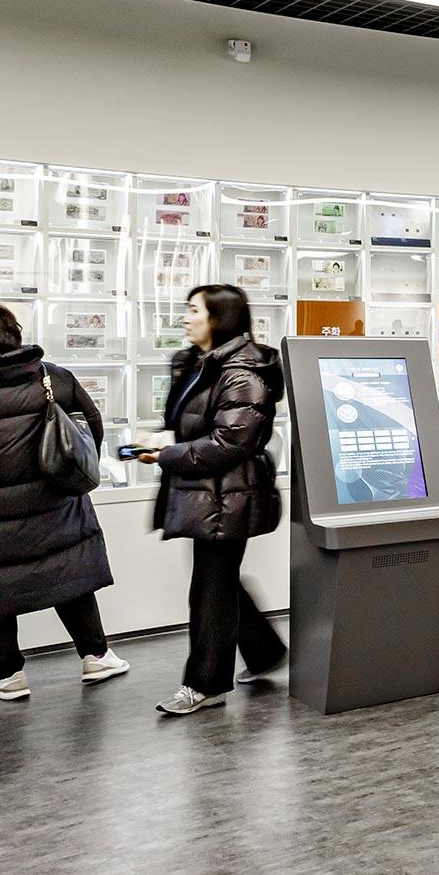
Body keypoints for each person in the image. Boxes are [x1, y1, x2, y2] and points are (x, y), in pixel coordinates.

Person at [135, 284, 287, 715]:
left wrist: (167, 455)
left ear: (219, 319)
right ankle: (264, 651)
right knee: (217, 582)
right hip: (203, 492)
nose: (184, 318)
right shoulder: (195, 363)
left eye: (193, 310)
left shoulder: (243, 372)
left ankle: (205, 683)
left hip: (229, 494)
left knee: (210, 587)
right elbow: (192, 428)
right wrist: (164, 439)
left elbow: (230, 441)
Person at [0, 303, 129, 700]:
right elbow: (91, 430)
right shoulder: (52, 377)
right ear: (16, 335)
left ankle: (7, 676)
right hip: (56, 507)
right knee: (70, 578)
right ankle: (96, 656)